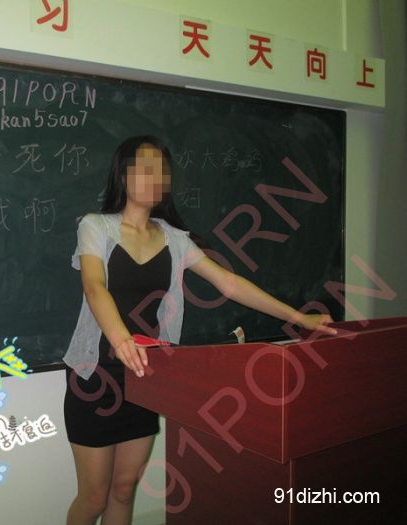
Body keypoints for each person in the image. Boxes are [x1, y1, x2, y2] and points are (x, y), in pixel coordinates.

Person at [62, 135, 337, 525]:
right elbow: (95, 287)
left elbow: (230, 283)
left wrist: (300, 318)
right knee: (93, 498)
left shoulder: (174, 239)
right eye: (145, 169)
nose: (156, 178)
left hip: (146, 375)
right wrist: (121, 339)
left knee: (124, 489)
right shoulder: (97, 226)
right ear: (123, 174)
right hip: (95, 375)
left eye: (162, 171)